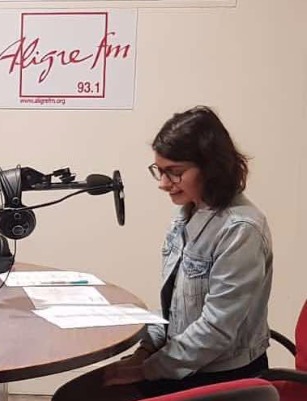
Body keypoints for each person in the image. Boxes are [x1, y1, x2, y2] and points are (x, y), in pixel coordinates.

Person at [52, 106, 273, 400]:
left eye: (175, 173)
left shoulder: (241, 229)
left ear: (212, 168)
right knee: (76, 394)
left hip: (219, 376)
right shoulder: (186, 215)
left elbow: (216, 330)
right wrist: (144, 351)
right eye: (160, 171)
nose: (163, 183)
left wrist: (147, 369)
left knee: (79, 397)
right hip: (182, 361)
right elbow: (176, 312)